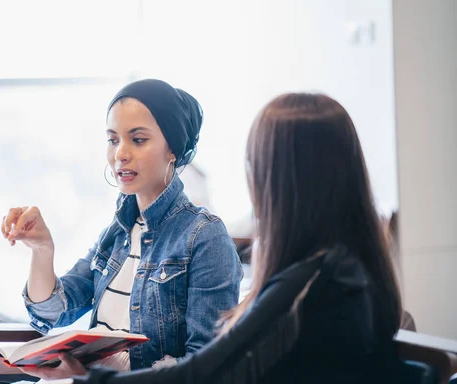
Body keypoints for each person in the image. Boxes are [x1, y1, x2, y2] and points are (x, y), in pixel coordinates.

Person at [59, 92, 403, 383]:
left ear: (282, 182)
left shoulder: (309, 284)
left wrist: (86, 379)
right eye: (113, 138)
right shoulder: (344, 269)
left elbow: (204, 373)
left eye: (254, 166)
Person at [1, 79, 243, 380]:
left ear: (173, 150)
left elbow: (207, 368)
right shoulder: (117, 233)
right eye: (113, 140)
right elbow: (50, 314)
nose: (120, 154)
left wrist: (96, 377)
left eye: (138, 140)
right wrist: (42, 250)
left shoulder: (205, 237)